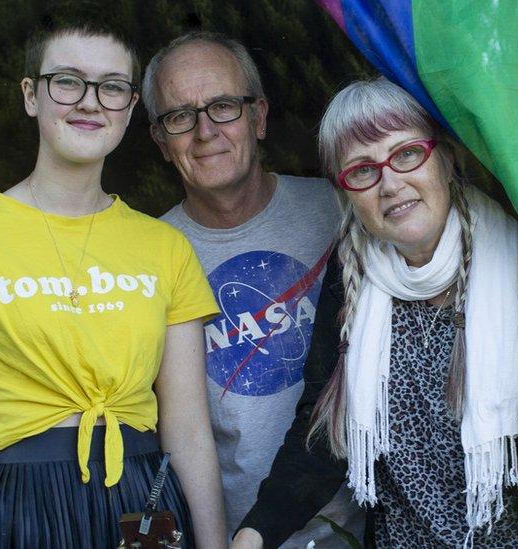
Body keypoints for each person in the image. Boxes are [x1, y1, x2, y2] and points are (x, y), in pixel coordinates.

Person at [0, 22, 227, 549]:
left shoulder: (166, 247)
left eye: (111, 86)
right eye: (68, 81)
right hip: (21, 504)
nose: (90, 103)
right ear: (30, 95)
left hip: (142, 500)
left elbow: (189, 432)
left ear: (131, 106)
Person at [233, 77, 518, 548]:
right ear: (346, 192)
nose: (390, 183)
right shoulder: (350, 276)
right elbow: (325, 436)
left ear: (446, 158)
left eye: (407, 153)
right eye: (362, 170)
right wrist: (255, 533)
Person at [142, 32, 365, 548]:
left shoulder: (345, 212)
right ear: (160, 140)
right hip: (231, 536)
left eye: (223, 106)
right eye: (180, 116)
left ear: (259, 117)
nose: (204, 132)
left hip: (362, 528)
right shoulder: (146, 256)